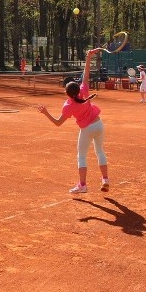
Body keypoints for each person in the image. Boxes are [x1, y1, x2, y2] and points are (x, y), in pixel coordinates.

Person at [37, 48, 110, 194]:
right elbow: (86, 73)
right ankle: (105, 179)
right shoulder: (83, 90)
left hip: (87, 129)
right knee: (100, 152)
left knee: (81, 156)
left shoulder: (68, 105)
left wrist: (45, 113)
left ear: (67, 93)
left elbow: (58, 123)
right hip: (99, 125)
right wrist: (89, 57)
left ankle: (82, 185)